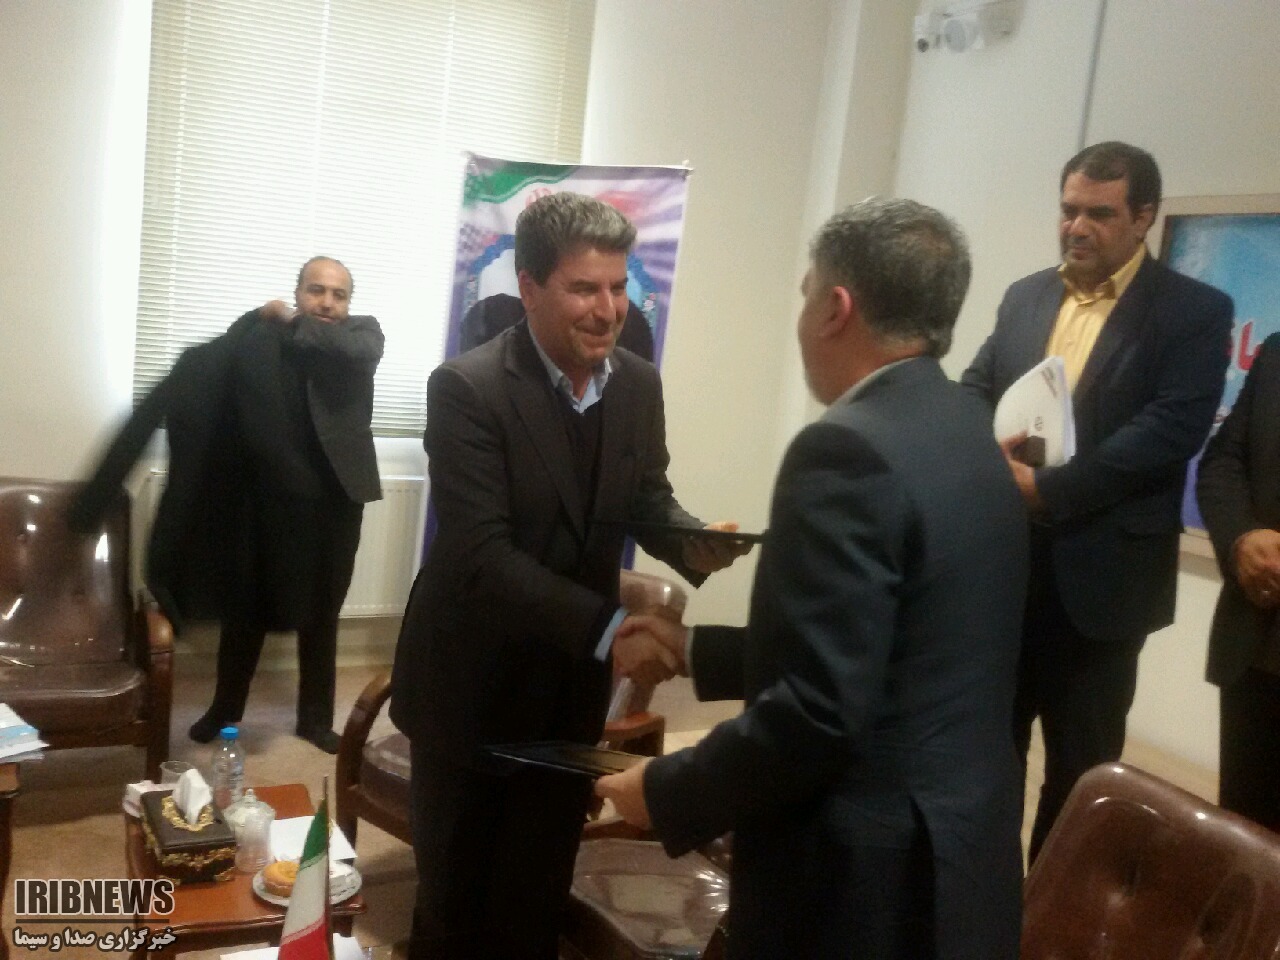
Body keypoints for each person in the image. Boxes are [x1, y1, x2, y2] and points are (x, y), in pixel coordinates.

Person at [597, 197, 1030, 960]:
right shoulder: (970, 429)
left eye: (804, 294)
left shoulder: (844, 451)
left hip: (860, 882)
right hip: (962, 853)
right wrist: (698, 650)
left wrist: (667, 791)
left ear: (835, 308)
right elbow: (894, 650)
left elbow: (817, 715)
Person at [388, 191, 745, 960]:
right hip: (469, 692)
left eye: (618, 287)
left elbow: (645, 496)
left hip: (565, 698)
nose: (608, 309)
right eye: (585, 288)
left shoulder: (638, 383)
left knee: (532, 901)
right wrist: (615, 632)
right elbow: (482, 557)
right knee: (453, 912)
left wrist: (689, 543)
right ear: (529, 287)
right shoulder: (467, 388)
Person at [961, 142, 1233, 859]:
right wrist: (979, 456)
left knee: (1082, 773)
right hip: (1006, 569)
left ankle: (1054, 909)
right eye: (1068, 210)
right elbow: (977, 386)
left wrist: (1047, 489)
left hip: (1105, 582)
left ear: (1143, 217)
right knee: (987, 752)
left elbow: (1169, 429)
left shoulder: (1193, 311)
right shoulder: (1026, 296)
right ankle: (982, 899)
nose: (1076, 227)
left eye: (1100, 214)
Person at [72, 257, 382, 754]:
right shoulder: (262, 341)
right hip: (271, 498)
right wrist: (256, 322)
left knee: (323, 610)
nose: (326, 302)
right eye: (315, 290)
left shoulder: (362, 337)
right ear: (297, 292)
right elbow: (214, 365)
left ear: (349, 303)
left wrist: (286, 320)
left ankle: (315, 720)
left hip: (336, 500)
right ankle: (225, 709)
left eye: (338, 294)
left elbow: (353, 347)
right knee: (247, 605)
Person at [1197, 333, 1280, 832]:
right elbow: (1222, 461)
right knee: (1242, 844)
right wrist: (1241, 538)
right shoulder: (1276, 353)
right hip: (1256, 648)